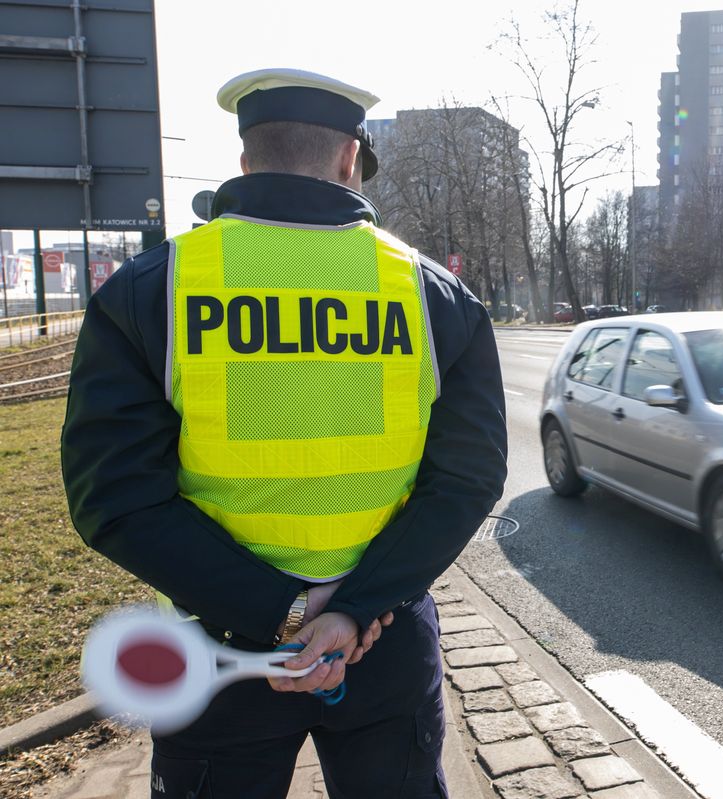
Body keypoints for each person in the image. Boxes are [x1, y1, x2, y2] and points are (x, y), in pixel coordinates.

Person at [61, 68, 508, 798]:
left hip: (223, 647)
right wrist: (355, 608)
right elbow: (468, 479)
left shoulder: (152, 290)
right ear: (347, 158)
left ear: (245, 161)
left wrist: (284, 611)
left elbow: (111, 497)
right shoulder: (435, 297)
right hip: (383, 642)